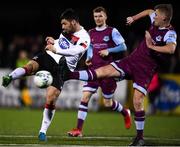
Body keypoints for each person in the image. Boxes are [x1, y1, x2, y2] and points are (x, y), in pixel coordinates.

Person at [60, 4, 177, 145]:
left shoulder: (170, 33)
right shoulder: (155, 20)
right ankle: (68, 75)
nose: (154, 17)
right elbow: (149, 11)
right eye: (95, 16)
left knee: (136, 101)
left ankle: (139, 137)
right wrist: (134, 18)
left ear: (164, 18)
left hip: (145, 70)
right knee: (100, 76)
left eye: (157, 15)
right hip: (131, 61)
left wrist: (151, 46)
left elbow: (171, 49)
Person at [1, 8, 90, 141]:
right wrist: (54, 41)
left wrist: (56, 48)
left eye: (64, 23)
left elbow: (75, 51)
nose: (62, 26)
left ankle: (42, 132)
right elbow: (62, 43)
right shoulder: (66, 30)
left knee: (51, 98)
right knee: (30, 66)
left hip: (63, 67)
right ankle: (10, 77)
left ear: (73, 22)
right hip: (49, 56)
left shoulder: (84, 37)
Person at [65, 6, 131, 137]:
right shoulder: (90, 32)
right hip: (93, 71)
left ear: (105, 17)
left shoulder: (112, 31)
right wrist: (89, 57)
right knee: (85, 97)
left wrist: (109, 51)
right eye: (95, 16)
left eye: (100, 16)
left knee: (108, 103)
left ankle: (125, 112)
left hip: (108, 72)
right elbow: (90, 46)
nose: (98, 19)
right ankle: (78, 129)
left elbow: (123, 46)